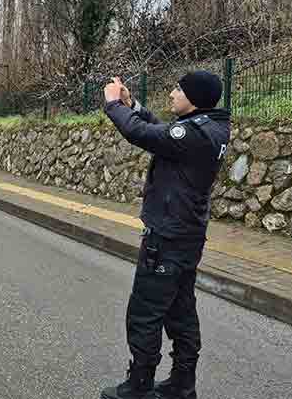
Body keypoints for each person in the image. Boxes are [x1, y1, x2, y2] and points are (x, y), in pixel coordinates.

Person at [99, 71, 231, 399]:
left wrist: (114, 104)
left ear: (194, 98)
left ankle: (139, 384)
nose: (171, 93)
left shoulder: (195, 134)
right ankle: (182, 384)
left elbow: (141, 133)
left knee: (145, 311)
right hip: (187, 235)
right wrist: (133, 105)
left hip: (167, 238)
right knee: (180, 310)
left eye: (178, 89)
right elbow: (163, 134)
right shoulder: (209, 127)